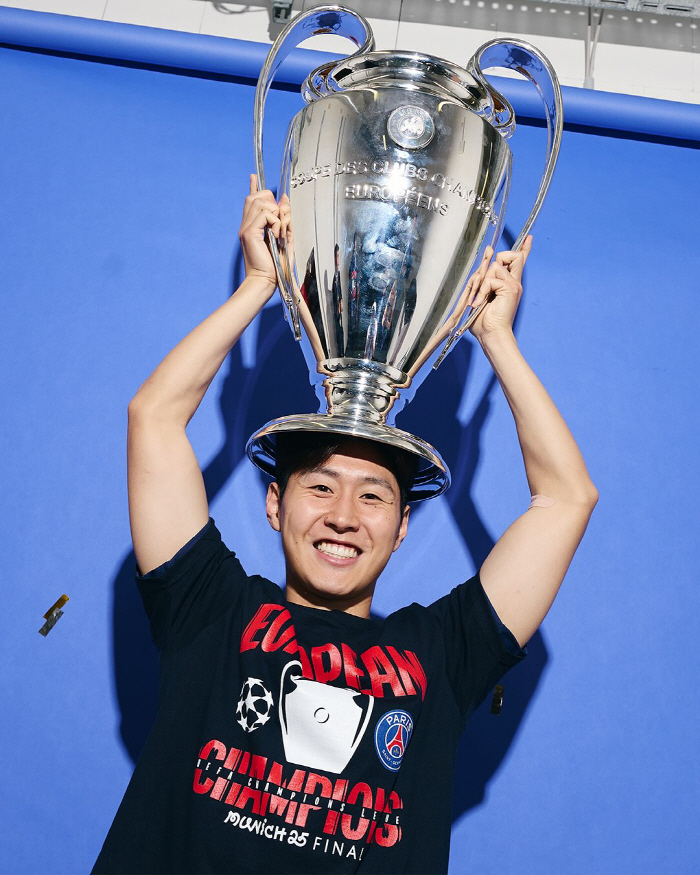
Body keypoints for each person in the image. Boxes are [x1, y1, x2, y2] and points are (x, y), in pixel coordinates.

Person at [92, 177, 597, 874]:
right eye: (321, 486)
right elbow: (153, 417)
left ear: (402, 526)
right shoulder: (209, 610)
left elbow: (566, 498)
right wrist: (258, 287)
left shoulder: (443, 656)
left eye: (374, 498)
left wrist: (496, 338)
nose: (343, 517)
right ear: (275, 504)